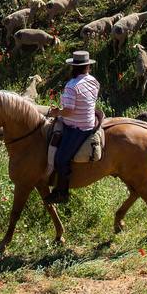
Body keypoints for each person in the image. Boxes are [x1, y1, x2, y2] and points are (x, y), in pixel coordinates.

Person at [47, 50, 99, 204]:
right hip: (89, 120)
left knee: (61, 159)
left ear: (73, 67)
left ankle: (62, 193)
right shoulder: (94, 81)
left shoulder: (72, 86)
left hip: (78, 127)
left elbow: (68, 112)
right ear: (87, 67)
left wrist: (57, 112)